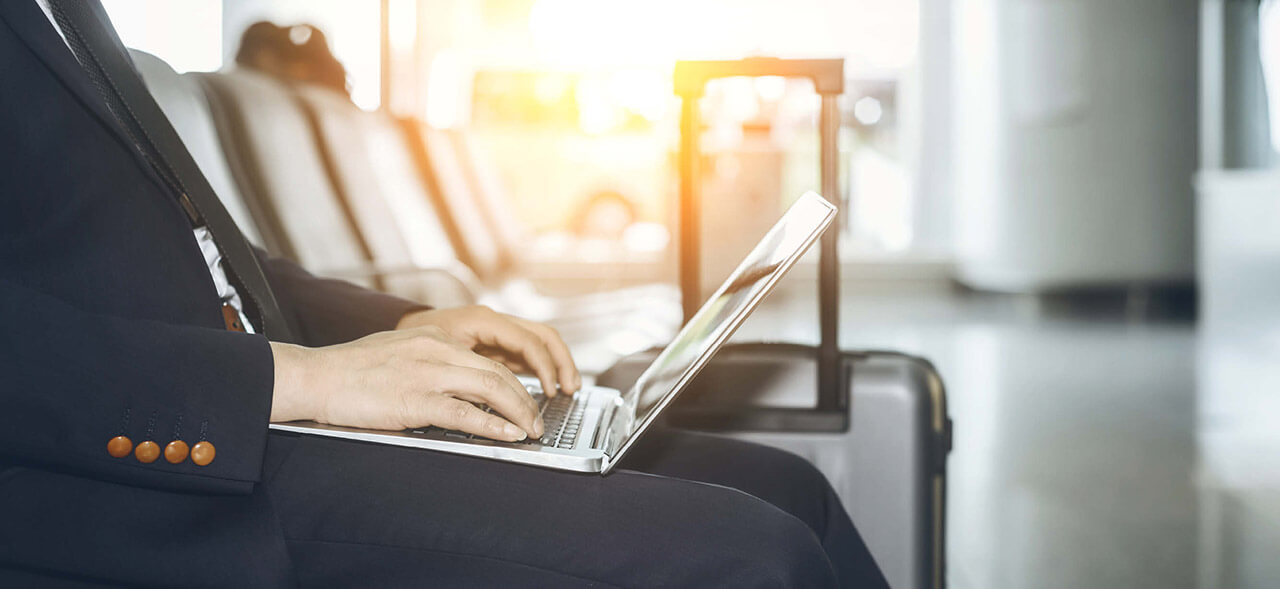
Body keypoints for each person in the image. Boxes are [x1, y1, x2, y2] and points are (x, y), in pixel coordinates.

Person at [0, 1, 888, 587]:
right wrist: (298, 380)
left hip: (272, 420)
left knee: (785, 487)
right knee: (751, 554)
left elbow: (215, 260)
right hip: (138, 486)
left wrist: (404, 323)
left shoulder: (71, 17)